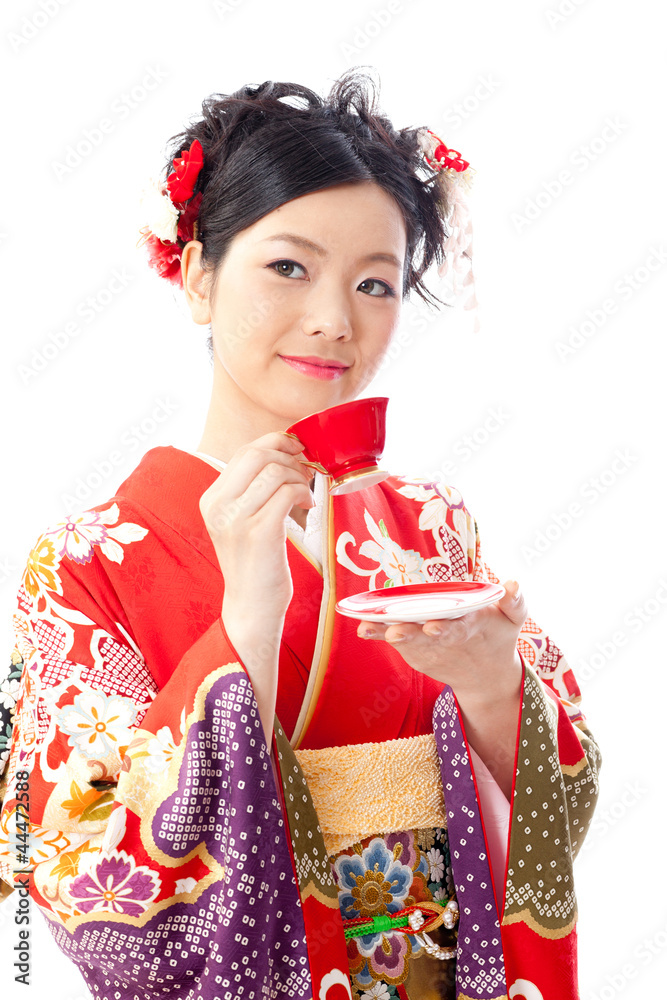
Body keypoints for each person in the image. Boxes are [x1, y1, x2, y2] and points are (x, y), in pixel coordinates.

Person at [0, 68, 600, 1000]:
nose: (334, 321)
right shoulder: (83, 563)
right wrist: (244, 625)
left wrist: (492, 684)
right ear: (199, 275)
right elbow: (76, 865)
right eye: (288, 266)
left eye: (375, 283)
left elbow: (562, 805)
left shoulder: (429, 529)